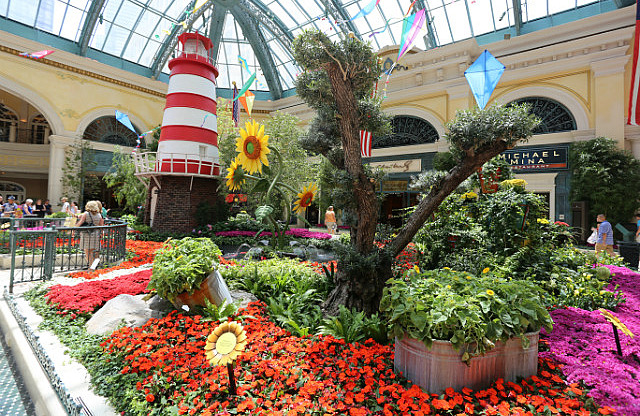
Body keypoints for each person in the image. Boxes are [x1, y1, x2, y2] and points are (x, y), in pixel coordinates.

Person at [76, 200, 104, 269]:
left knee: (87, 251)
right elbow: (101, 226)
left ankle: (90, 266)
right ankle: (94, 266)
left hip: (86, 234)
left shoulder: (86, 214)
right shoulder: (99, 215)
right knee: (93, 251)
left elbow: (80, 223)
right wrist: (101, 234)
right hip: (95, 234)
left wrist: (74, 227)